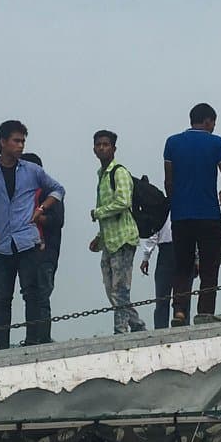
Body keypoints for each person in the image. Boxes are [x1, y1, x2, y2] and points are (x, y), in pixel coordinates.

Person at [0, 120, 66, 348]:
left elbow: (58, 189)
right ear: (3, 142)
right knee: (2, 297)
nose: (20, 145)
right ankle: (2, 346)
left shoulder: (32, 170)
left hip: (27, 242)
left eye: (23, 141)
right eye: (16, 141)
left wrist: (41, 208)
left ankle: (32, 341)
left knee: (31, 293)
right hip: (1, 245)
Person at [163, 103, 221, 324]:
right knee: (209, 269)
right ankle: (204, 313)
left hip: (181, 216)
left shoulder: (172, 142)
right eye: (213, 123)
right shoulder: (217, 143)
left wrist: (176, 204)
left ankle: (179, 311)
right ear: (207, 121)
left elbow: (168, 181)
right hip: (209, 215)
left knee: (182, 267)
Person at [88, 130, 145, 334]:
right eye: (98, 145)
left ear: (113, 148)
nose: (102, 148)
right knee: (110, 287)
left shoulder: (119, 172)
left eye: (106, 144)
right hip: (109, 240)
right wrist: (99, 237)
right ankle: (136, 324)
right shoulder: (102, 175)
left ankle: (120, 330)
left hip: (123, 238)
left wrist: (98, 213)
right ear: (94, 149)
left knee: (120, 288)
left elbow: (123, 201)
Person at [20, 152, 65, 304]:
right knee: (29, 295)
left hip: (46, 253)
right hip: (26, 253)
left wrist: (35, 216)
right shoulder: (22, 195)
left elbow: (57, 220)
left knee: (42, 296)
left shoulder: (50, 192)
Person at [136, 216, 175, 328]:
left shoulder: (162, 211)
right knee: (180, 294)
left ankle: (161, 327)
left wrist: (146, 257)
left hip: (167, 251)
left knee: (163, 295)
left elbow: (154, 234)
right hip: (176, 249)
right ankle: (180, 324)